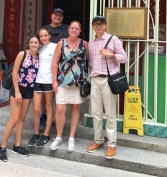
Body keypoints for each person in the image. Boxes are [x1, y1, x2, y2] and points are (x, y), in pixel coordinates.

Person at [87, 15, 128, 159]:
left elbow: (124, 57)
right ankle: (98, 140)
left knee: (110, 113)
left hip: (108, 80)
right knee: (96, 112)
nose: (98, 26)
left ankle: (112, 144)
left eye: (101, 23)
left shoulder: (113, 39)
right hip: (95, 80)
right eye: (95, 24)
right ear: (93, 26)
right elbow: (91, 62)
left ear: (105, 25)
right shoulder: (91, 43)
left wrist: (110, 54)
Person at [0, 35, 40, 162]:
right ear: (28, 43)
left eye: (36, 42)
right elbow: (15, 72)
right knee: (14, 118)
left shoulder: (38, 57)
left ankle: (17, 145)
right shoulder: (22, 54)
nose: (33, 44)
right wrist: (16, 91)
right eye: (32, 42)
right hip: (18, 88)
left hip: (29, 90)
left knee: (22, 117)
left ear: (39, 44)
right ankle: (3, 147)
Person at [50, 21, 88, 152]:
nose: (74, 30)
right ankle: (59, 137)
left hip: (78, 82)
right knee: (60, 109)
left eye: (77, 28)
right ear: (68, 29)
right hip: (62, 80)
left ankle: (71, 138)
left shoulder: (85, 44)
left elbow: (89, 61)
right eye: (72, 27)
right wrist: (54, 80)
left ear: (80, 31)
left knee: (76, 107)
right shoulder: (61, 43)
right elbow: (55, 62)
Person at [39, 8, 69, 129]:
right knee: (44, 94)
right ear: (51, 16)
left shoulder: (67, 29)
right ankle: (43, 116)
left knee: (59, 93)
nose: (57, 17)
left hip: (62, 66)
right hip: (45, 66)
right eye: (55, 15)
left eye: (60, 15)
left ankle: (57, 117)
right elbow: (39, 44)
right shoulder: (44, 29)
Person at [28, 28, 56, 147]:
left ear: (49, 35)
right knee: (36, 109)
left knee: (49, 107)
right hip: (37, 80)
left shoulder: (55, 46)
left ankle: (46, 134)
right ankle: (36, 133)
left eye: (45, 35)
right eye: (41, 36)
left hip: (49, 80)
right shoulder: (38, 48)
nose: (43, 38)